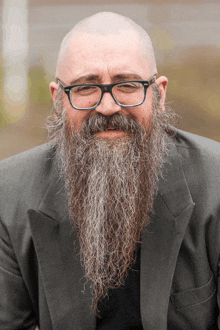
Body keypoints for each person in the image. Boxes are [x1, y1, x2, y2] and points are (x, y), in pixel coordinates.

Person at [0, 11, 220, 330]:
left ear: (159, 94)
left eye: (127, 85)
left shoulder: (216, 183)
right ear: (58, 98)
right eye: (86, 88)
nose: (107, 106)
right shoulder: (8, 193)